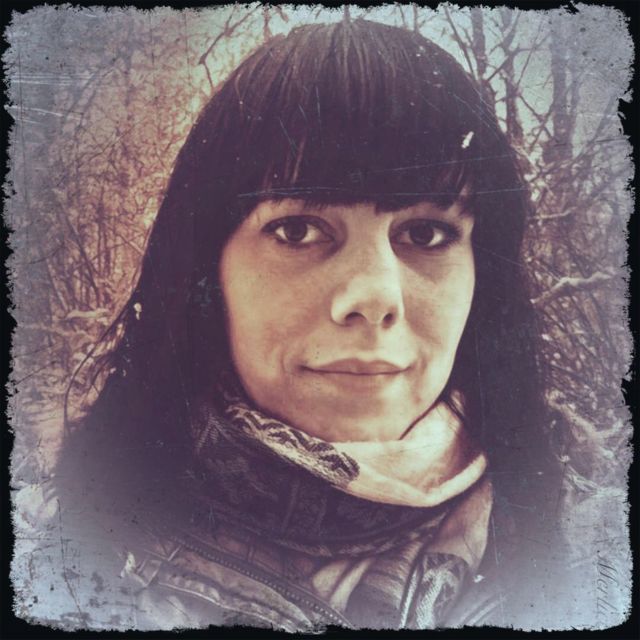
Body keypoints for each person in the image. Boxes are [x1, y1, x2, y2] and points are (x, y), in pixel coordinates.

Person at [43, 18, 570, 631]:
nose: (375, 298)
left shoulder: (581, 549)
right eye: (297, 230)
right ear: (206, 272)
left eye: (426, 234)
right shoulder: (75, 578)